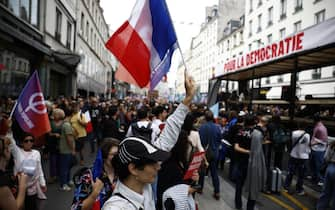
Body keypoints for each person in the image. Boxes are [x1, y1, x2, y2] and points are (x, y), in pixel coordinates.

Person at [102, 72, 196, 210]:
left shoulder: (143, 186)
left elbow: (167, 138)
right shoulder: (116, 208)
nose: (159, 166)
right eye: (153, 163)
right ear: (133, 169)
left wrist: (187, 99)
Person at [156, 113, 203, 210]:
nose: (189, 147)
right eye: (187, 144)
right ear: (180, 147)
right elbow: (168, 190)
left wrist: (194, 179)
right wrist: (191, 189)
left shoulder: (181, 162)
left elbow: (185, 181)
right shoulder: (169, 165)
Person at [71, 139, 119, 210]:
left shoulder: (123, 173)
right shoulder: (89, 175)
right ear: (104, 156)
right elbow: (76, 208)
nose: (118, 157)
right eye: (114, 155)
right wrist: (94, 194)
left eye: (119, 154)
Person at [8, 131, 47, 210]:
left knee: (32, 207)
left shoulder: (36, 153)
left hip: (32, 188)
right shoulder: (18, 152)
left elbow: (39, 169)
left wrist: (42, 183)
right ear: (22, 143)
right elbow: (11, 142)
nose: (29, 143)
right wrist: (8, 129)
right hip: (19, 188)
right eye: (26, 141)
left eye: (31, 140)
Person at [244, 116, 267, 210]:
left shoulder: (251, 132)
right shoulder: (257, 134)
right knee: (253, 187)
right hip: (254, 164)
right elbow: (256, 153)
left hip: (250, 161)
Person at [198, 110, 222, 200]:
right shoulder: (217, 127)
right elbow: (220, 139)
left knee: (202, 171)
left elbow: (200, 141)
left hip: (205, 152)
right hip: (215, 152)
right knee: (214, 172)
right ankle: (217, 191)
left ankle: (200, 188)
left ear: (205, 118)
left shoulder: (202, 127)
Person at [0, 135, 28, 210]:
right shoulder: (2, 185)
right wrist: (22, 186)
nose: (9, 150)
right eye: (7, 148)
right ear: (5, 152)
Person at [283, 125, 311, 195]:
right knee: (301, 175)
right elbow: (307, 145)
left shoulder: (293, 133)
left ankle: (286, 187)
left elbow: (290, 142)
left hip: (293, 155)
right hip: (303, 157)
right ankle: (299, 189)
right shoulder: (307, 135)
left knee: (290, 172)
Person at [59, 107, 76, 191]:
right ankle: (63, 184)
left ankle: (68, 180)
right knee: (65, 168)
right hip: (66, 150)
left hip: (66, 149)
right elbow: (69, 139)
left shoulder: (66, 124)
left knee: (68, 167)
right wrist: (72, 149)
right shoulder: (67, 125)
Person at [46, 108, 64, 183]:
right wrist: (54, 134)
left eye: (56, 114)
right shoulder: (51, 123)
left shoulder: (63, 123)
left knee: (60, 160)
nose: (54, 115)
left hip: (61, 144)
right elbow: (48, 133)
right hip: (53, 143)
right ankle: (53, 176)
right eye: (54, 114)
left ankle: (59, 175)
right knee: (53, 160)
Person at [310, 113, 328, 186]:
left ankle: (321, 180)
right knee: (313, 164)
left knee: (318, 165)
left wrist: (314, 143)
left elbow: (324, 141)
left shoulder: (321, 128)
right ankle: (315, 177)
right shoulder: (318, 126)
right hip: (315, 149)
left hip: (319, 150)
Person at [316, 141, 335, 210]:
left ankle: (320, 207)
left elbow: (326, 157)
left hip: (330, 168)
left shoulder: (332, 144)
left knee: (325, 191)